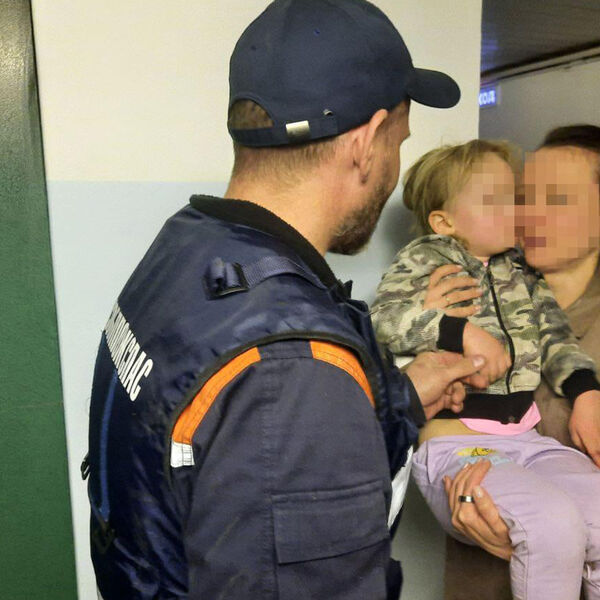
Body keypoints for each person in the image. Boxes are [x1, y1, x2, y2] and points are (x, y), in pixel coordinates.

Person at [83, 2, 487, 599]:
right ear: (366, 141)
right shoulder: (294, 366)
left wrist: (402, 396)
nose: (393, 164)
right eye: (399, 141)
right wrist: (325, 392)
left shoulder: (188, 245)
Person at [371, 138, 600, 599]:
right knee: (551, 521)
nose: (522, 212)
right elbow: (382, 321)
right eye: (512, 198)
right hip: (463, 450)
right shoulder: (429, 262)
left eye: (555, 199)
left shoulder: (523, 277)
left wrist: (586, 390)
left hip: (526, 442)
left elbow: (557, 340)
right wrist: (451, 330)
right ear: (444, 222)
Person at [440, 125, 600, 600]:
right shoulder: (465, 295)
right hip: (480, 581)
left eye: (558, 199)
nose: (530, 214)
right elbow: (422, 425)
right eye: (523, 197)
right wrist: (458, 499)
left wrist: (556, 540)